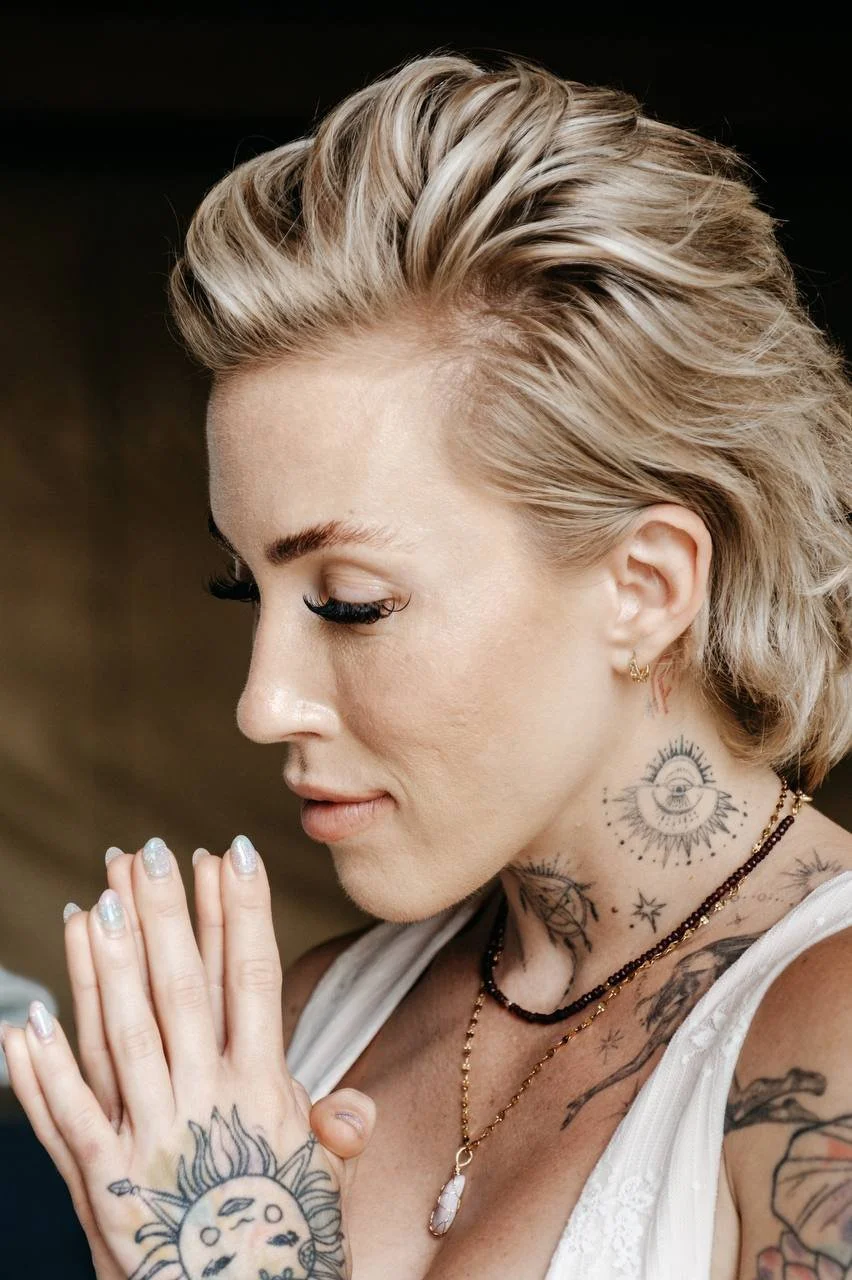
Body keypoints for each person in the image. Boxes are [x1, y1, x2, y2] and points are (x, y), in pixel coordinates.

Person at [3, 50, 852, 1280]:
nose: (261, 703)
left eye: (351, 602)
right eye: (246, 590)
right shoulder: (306, 1023)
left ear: (647, 585)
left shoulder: (826, 1039)